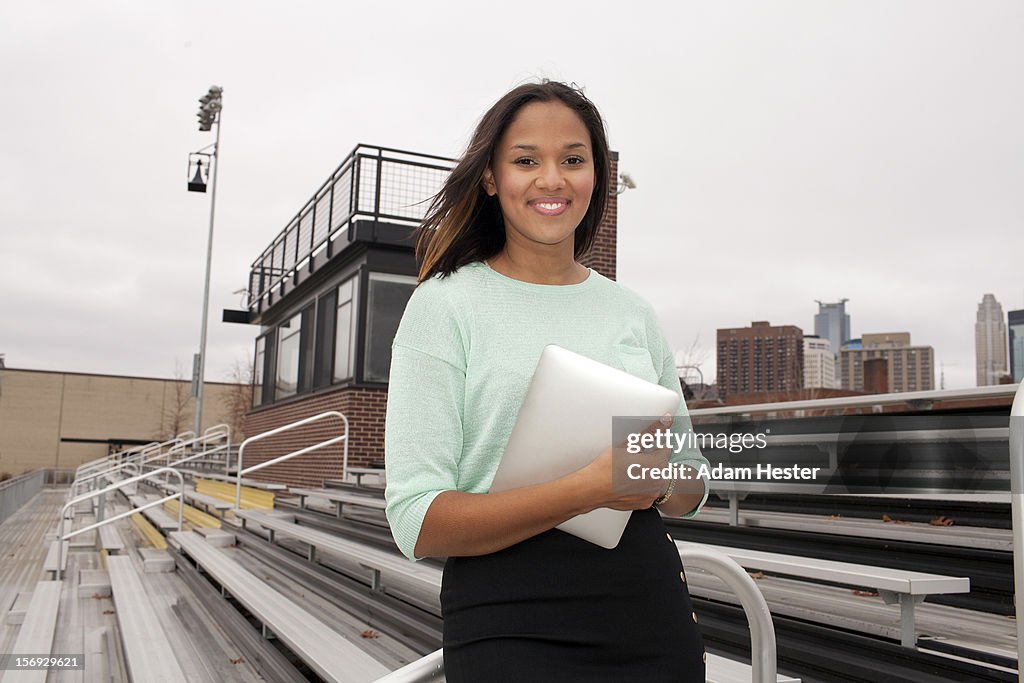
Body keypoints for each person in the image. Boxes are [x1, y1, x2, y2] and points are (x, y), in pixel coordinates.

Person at [385, 80, 710, 682]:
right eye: (527, 160)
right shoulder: (445, 306)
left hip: (647, 608)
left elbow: (693, 485)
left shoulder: (630, 312)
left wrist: (657, 482)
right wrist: (589, 486)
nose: (552, 179)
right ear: (490, 177)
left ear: (595, 177)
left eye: (573, 160)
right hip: (509, 615)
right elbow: (418, 520)